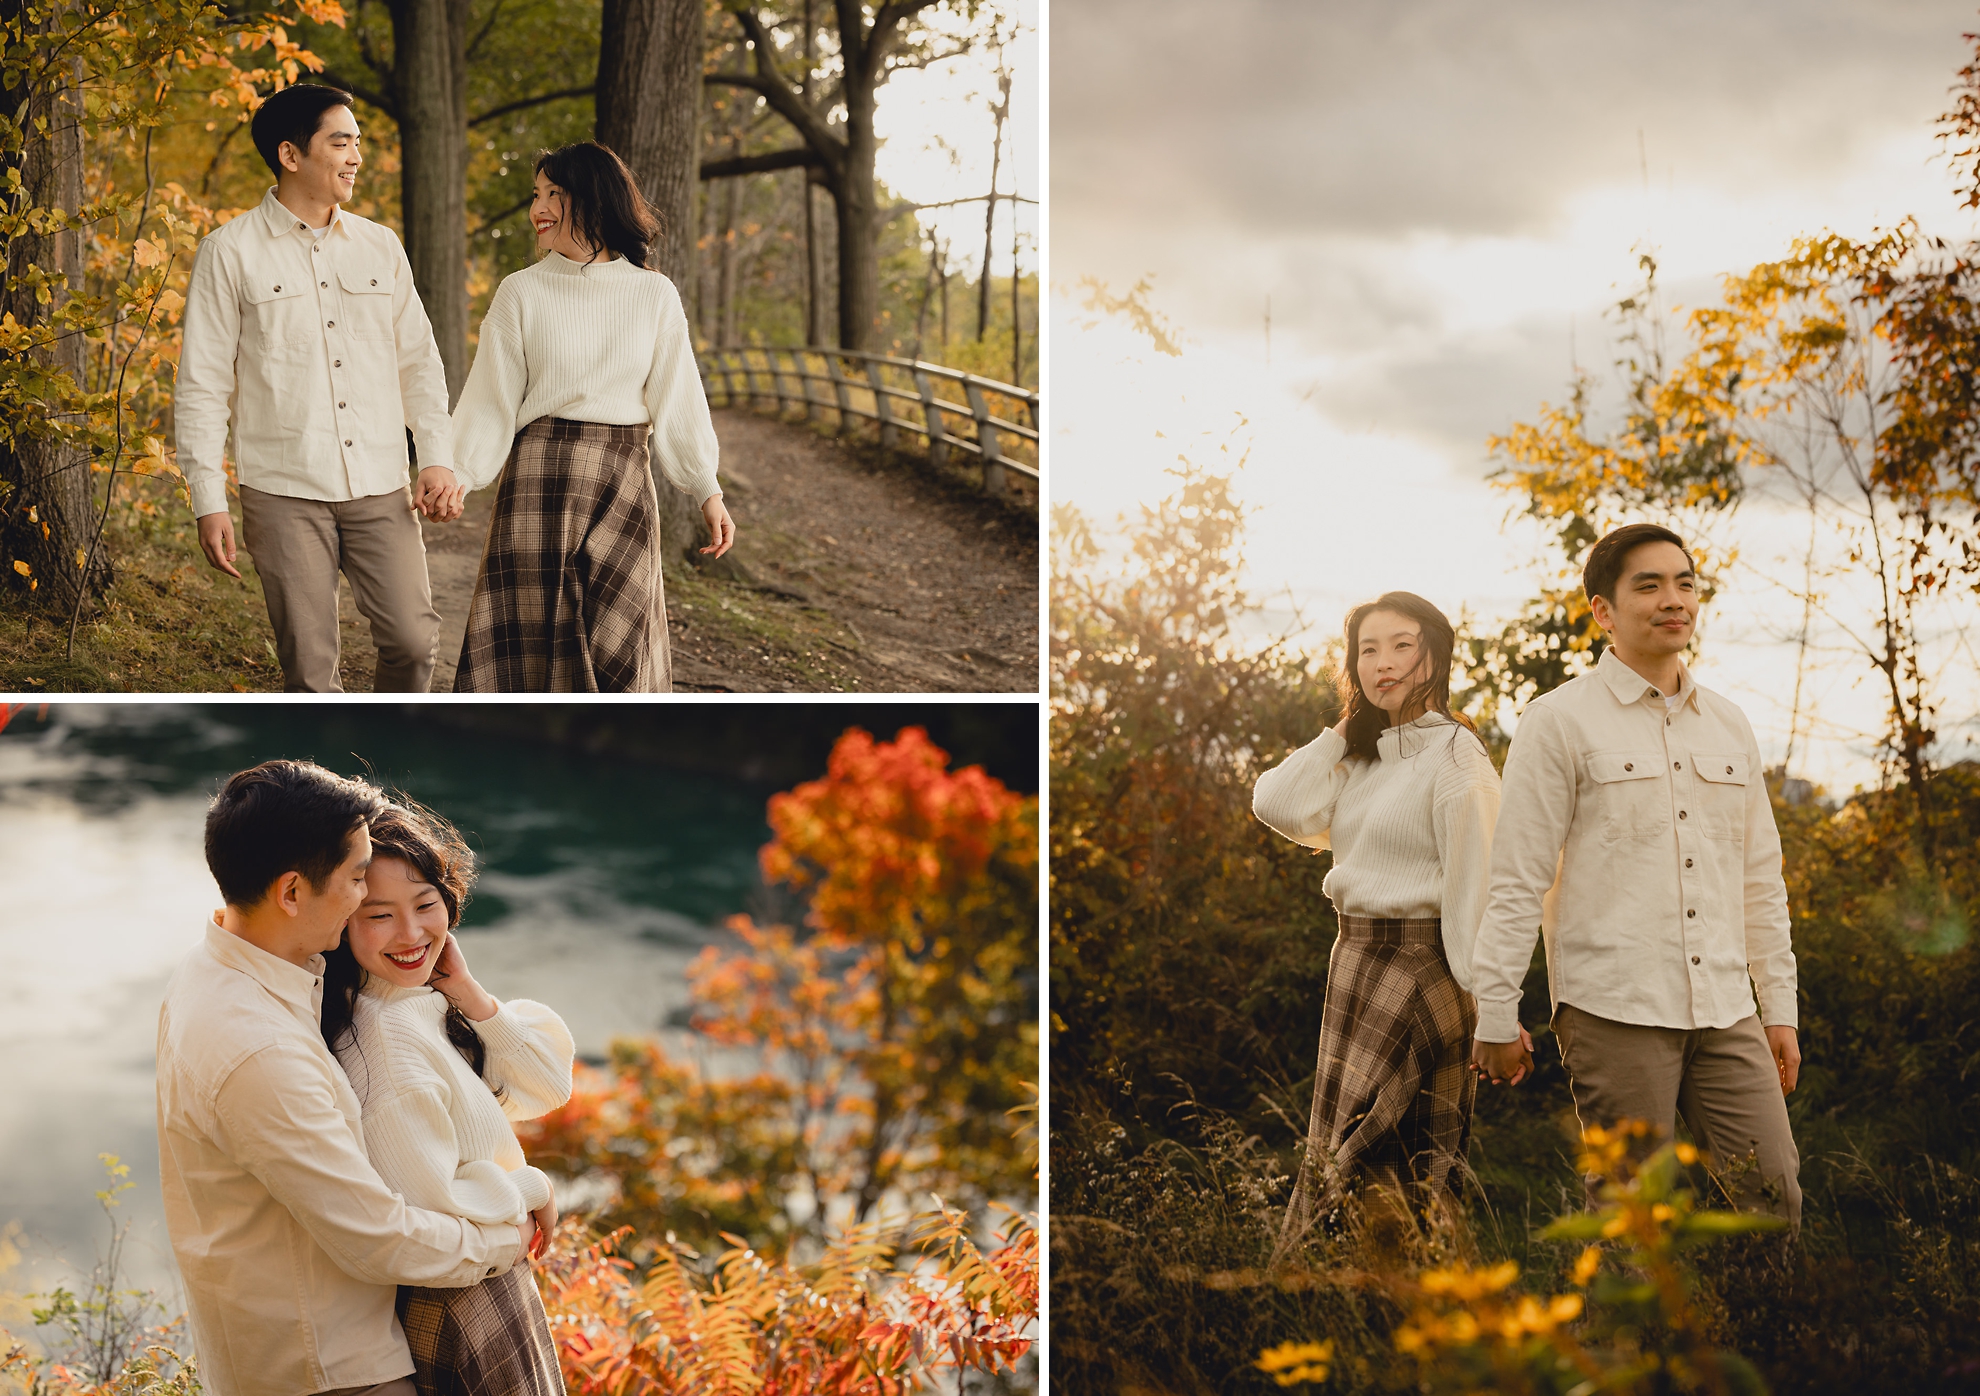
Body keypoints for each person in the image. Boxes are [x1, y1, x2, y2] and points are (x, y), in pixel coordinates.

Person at [157, 761, 531, 1396]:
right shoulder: (258, 1049)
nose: (366, 896)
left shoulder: (217, 966)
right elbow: (378, 1238)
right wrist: (510, 1236)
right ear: (293, 893)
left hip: (279, 1345)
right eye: (358, 877)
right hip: (328, 1367)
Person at [1467, 523, 1803, 1228]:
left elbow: (1759, 879)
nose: (1671, 599)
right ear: (1603, 611)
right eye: (1648, 585)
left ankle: (1763, 1337)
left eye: (1683, 583)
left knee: (1772, 1198)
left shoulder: (1730, 724)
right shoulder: (1557, 722)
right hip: (1613, 1007)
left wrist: (1778, 1006)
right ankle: (1622, 1343)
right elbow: (1516, 878)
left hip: (1725, 1005)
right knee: (1636, 1223)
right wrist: (1494, 1013)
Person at [176, 83, 465, 693]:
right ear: (290, 154)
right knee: (309, 672)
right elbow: (201, 383)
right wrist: (208, 496)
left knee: (413, 645)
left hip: (381, 483)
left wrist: (436, 455)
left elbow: (418, 360)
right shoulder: (229, 252)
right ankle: (323, 784)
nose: (356, 156)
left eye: (357, 142)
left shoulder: (381, 246)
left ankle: (388, 760)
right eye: (340, 142)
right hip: (284, 489)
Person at [1252, 592, 1514, 1253]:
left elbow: (1473, 893)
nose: (1383, 662)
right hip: (1357, 959)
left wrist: (1491, 1010)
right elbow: (1277, 804)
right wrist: (1347, 725)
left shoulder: (1458, 757)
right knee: (1345, 1148)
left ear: (1436, 655)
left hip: (1424, 967)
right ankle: (1345, 1302)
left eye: (1403, 645)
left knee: (1378, 1150)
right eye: (1367, 650)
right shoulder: (1364, 754)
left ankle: (1391, 1301)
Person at [446, 141, 735, 692]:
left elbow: (678, 396)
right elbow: (490, 398)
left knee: (618, 636)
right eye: (535, 195)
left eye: (554, 194)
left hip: (621, 480)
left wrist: (706, 488)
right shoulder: (521, 291)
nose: (538, 209)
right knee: (529, 630)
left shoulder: (654, 294)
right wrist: (458, 475)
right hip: (537, 479)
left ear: (594, 200)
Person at [321, 803, 574, 1396]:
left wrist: (466, 990)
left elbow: (548, 1086)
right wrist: (531, 1186)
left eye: (425, 905)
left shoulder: (417, 1002)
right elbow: (430, 1207)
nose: (411, 935)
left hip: (481, 1284)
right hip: (463, 1298)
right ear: (341, 924)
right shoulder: (386, 1043)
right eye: (378, 915)